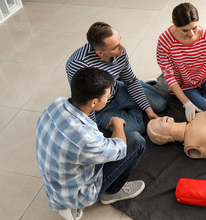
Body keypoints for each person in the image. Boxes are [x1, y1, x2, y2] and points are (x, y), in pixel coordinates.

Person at [36, 67, 146, 220]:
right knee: (136, 141)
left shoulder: (57, 103)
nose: (109, 98)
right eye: (107, 96)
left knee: (105, 136)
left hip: (57, 181)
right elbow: (120, 149)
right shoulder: (85, 139)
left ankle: (68, 203)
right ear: (94, 102)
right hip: (78, 193)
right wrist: (118, 123)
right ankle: (112, 192)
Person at [66, 21, 166, 135]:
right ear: (100, 53)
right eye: (115, 47)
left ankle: (132, 99)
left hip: (116, 89)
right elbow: (86, 104)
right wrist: (94, 132)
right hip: (100, 107)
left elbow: (131, 81)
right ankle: (132, 106)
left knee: (160, 104)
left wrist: (148, 110)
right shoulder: (78, 66)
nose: (122, 48)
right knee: (137, 129)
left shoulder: (120, 51)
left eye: (120, 41)